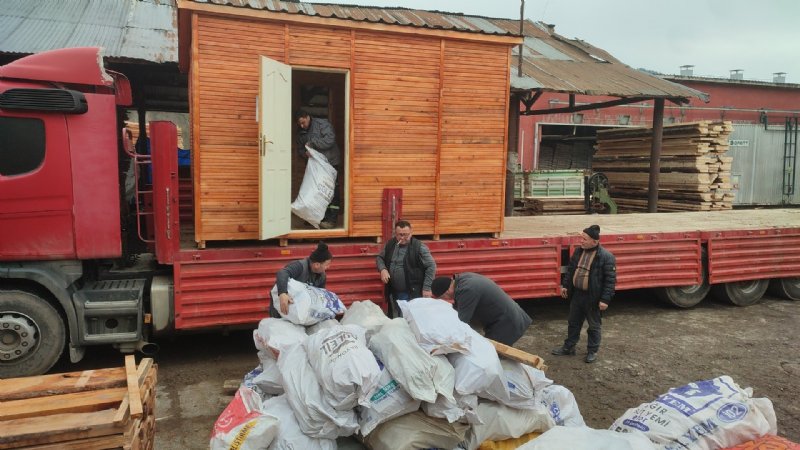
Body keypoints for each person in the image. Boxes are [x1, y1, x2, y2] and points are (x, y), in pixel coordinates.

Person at [551, 224, 617, 363]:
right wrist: (565, 286)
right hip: (577, 295)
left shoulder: (606, 257)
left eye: (584, 239)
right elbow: (571, 270)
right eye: (581, 238)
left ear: (595, 241)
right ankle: (569, 347)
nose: (581, 241)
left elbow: (610, 281)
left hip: (593, 298)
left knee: (593, 326)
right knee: (573, 322)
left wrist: (605, 300)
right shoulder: (578, 251)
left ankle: (592, 351)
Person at [431, 272, 532, 346]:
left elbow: (462, 322)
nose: (446, 300)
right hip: (505, 320)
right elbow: (458, 310)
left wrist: (446, 339)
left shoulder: (467, 289)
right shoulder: (463, 280)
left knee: (491, 355)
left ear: (447, 291)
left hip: (507, 323)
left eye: (443, 298)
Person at [376, 220, 437, 317]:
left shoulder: (419, 247)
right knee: (396, 318)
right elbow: (380, 258)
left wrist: (427, 288)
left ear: (411, 233)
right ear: (395, 233)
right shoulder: (391, 244)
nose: (402, 237)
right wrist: (383, 269)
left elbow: (431, 266)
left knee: (409, 318)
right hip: (393, 291)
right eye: (400, 235)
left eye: (406, 235)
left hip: (411, 292)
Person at [295, 109, 341, 229]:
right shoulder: (300, 133)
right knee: (317, 190)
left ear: (308, 117)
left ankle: (331, 220)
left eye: (303, 122)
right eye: (299, 123)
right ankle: (317, 217)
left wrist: (313, 143)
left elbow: (329, 140)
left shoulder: (322, 124)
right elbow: (300, 149)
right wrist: (305, 153)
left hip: (330, 162)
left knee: (330, 190)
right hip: (316, 166)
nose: (302, 125)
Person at [271, 242, 333, 317]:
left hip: (301, 312)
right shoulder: (300, 266)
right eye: (327, 265)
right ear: (317, 265)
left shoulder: (322, 276)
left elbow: (320, 295)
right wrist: (283, 293)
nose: (328, 267)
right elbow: (282, 273)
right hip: (283, 307)